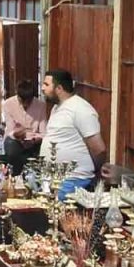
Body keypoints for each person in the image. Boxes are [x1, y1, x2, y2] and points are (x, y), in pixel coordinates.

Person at [39, 69, 106, 200]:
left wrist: (95, 171)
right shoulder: (56, 108)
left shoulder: (80, 109)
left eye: (46, 84)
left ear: (59, 88)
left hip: (73, 179)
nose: (42, 88)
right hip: (53, 178)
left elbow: (99, 149)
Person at [1, 80, 48, 176]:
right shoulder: (8, 104)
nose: (25, 104)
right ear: (17, 95)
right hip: (15, 140)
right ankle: (15, 175)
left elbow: (43, 132)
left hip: (34, 141)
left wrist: (34, 140)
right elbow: (10, 130)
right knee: (11, 146)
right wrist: (19, 135)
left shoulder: (41, 105)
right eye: (22, 101)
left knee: (44, 147)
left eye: (28, 101)